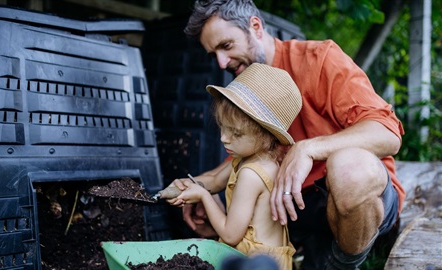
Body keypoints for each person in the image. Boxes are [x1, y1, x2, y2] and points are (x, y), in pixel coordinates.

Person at [168, 0, 405, 269]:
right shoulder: (247, 84)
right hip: (300, 206)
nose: (222, 63)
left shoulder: (319, 59)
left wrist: (307, 148)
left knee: (349, 167)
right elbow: (238, 162)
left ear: (255, 27)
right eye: (214, 55)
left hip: (360, 203)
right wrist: (196, 186)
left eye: (226, 46)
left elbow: (387, 133)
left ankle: (345, 264)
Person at [171, 63, 299, 269]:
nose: (224, 139)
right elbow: (213, 181)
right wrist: (190, 185)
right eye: (222, 127)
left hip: (252, 263)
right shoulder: (263, 160)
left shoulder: (250, 174)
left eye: (236, 133)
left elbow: (231, 235)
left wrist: (203, 196)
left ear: (266, 136)